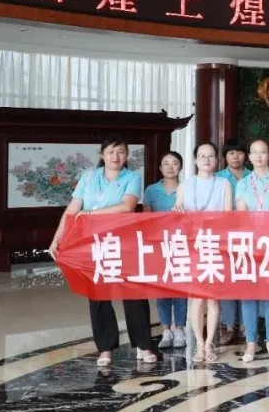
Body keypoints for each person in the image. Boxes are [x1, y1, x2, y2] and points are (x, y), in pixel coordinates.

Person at [49, 136, 155, 366]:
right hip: (92, 243)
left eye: (121, 152)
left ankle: (144, 345)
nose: (116, 156)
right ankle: (105, 348)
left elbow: (127, 206)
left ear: (127, 155)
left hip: (124, 242)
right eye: (111, 152)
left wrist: (90, 214)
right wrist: (57, 238)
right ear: (102, 155)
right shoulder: (88, 177)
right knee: (98, 295)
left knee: (134, 293)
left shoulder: (132, 177)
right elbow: (72, 209)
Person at [176, 141, 234, 363]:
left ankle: (210, 343)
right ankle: (199, 344)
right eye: (202, 156)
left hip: (215, 244)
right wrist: (178, 215)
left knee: (213, 297)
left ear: (217, 160)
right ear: (195, 160)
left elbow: (228, 216)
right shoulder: (185, 186)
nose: (206, 160)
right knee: (196, 297)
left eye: (211, 156)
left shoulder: (224, 184)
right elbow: (179, 216)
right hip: (193, 246)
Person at [235, 138, 269, 363]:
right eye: (254, 152)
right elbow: (241, 215)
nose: (258, 156)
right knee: (249, 295)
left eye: (263, 151)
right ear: (249, 157)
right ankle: (251, 342)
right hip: (249, 244)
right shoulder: (243, 183)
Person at [143, 151, 186, 350]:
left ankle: (180, 328)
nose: (170, 167)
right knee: (162, 289)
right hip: (159, 244)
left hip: (181, 243)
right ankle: (166, 329)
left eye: (174, 163)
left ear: (181, 167)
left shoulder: (187, 188)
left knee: (180, 288)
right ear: (160, 168)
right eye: (166, 163)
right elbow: (147, 219)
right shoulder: (151, 190)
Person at [216, 138, 247, 346]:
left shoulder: (254, 177)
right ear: (225, 157)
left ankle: (244, 324)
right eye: (231, 153)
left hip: (249, 236)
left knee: (245, 279)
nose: (235, 157)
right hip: (224, 236)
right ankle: (228, 325)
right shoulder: (218, 178)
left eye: (239, 152)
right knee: (226, 281)